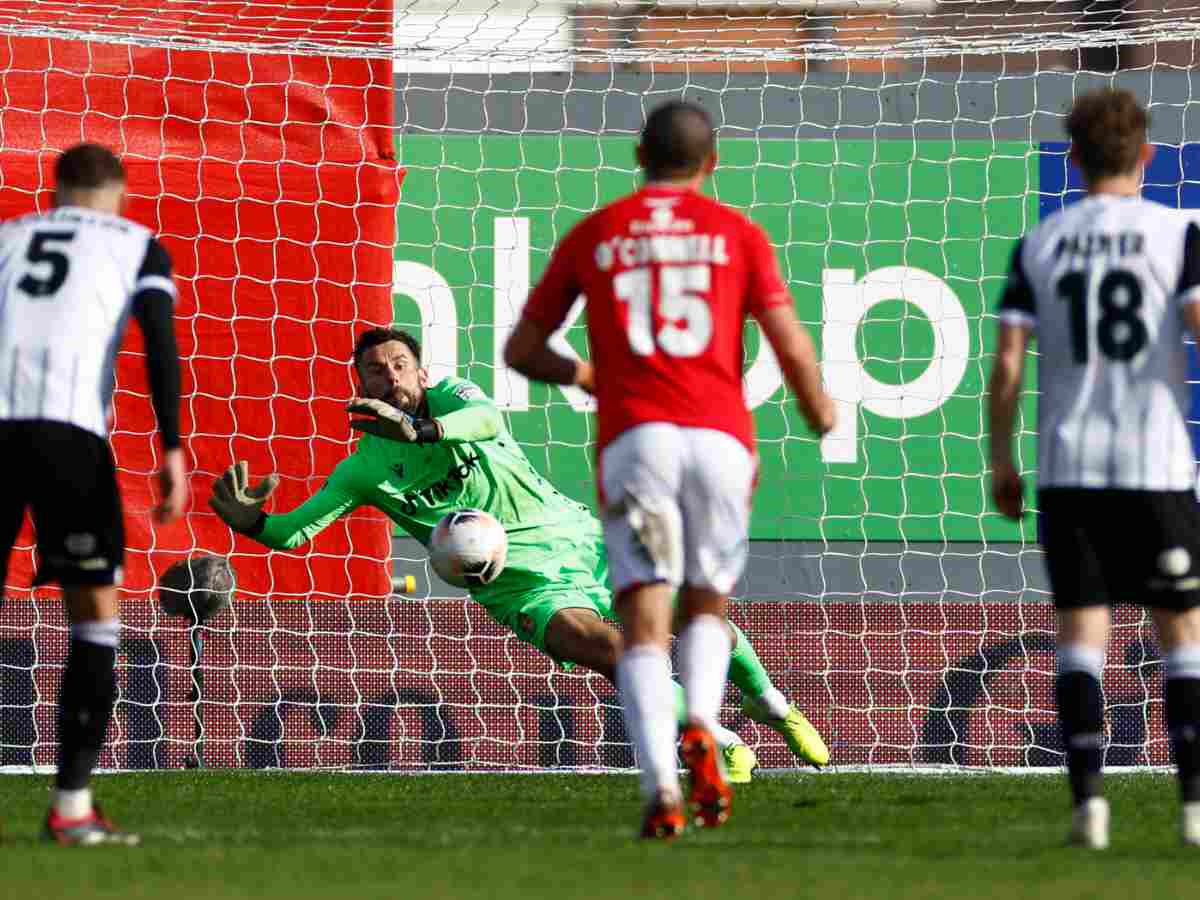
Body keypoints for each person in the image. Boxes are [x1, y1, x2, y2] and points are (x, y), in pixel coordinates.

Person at [208, 327, 829, 786]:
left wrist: (424, 432)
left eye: (400, 364)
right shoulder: (364, 470)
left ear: (421, 376)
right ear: (360, 387)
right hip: (519, 584)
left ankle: (774, 706)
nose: (390, 375)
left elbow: (482, 419)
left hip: (580, 537)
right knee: (613, 652)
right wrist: (252, 522)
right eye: (374, 370)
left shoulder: (453, 397)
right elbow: (295, 533)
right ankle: (716, 739)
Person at [504, 100, 835, 838]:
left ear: (637, 156)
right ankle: (704, 719)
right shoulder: (737, 234)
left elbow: (522, 351)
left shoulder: (597, 235)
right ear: (711, 163)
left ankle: (663, 782)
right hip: (719, 440)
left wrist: (585, 372)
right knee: (708, 604)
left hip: (636, 441)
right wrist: (818, 407)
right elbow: (788, 341)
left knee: (643, 624)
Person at [989, 87, 1200, 849]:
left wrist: (1003, 460)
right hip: (1156, 464)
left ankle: (1089, 809)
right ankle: (1194, 811)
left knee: (1082, 639)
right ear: (1147, 155)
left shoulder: (1039, 245)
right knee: (1183, 636)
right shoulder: (1177, 233)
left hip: (1070, 468)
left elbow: (1008, 366)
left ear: (1072, 157)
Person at [0, 144, 188, 845]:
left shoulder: (9, 236)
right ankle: (71, 808)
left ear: (57, 189)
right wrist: (171, 447)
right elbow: (159, 342)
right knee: (93, 617)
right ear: (119, 190)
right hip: (66, 437)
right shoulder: (137, 244)